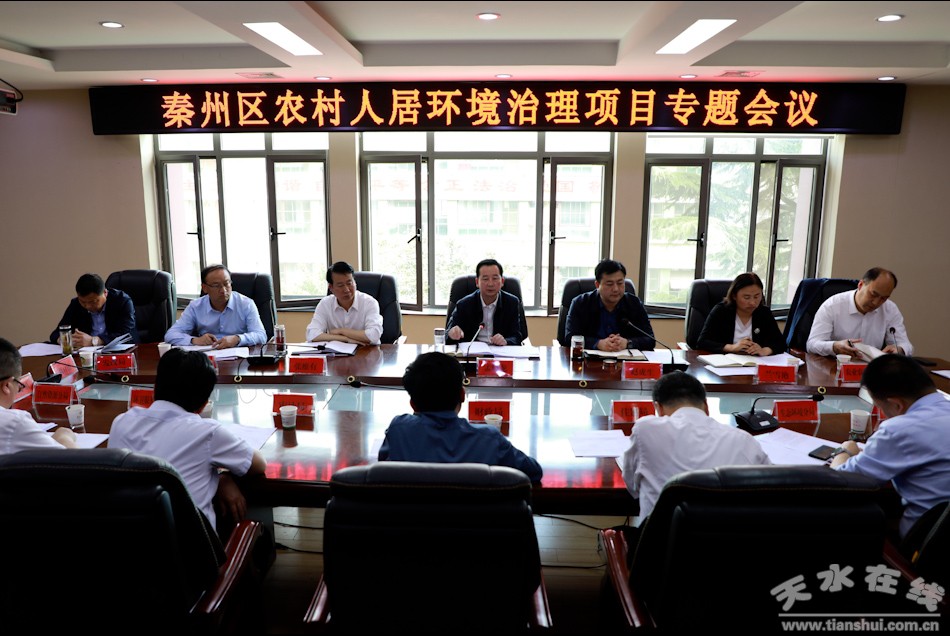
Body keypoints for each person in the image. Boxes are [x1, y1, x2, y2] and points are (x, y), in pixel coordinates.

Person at [108, 348, 266, 532]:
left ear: (154, 389)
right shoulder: (208, 433)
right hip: (192, 547)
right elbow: (258, 464)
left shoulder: (121, 423)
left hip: (126, 542)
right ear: (203, 405)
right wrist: (223, 475)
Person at [621, 371, 771, 529]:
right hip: (728, 540)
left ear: (658, 408)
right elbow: (773, 489)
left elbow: (632, 487)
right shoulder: (744, 440)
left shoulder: (646, 430)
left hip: (663, 542)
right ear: (706, 406)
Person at [831, 354, 950, 540]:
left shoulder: (900, 429)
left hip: (925, 545)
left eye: (882, 408)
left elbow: (839, 485)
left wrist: (845, 450)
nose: (884, 415)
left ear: (896, 404)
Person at [378, 351, 543, 482]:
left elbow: (383, 472)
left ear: (412, 404)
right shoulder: (489, 439)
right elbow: (534, 472)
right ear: (462, 395)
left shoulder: (399, 431)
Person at [806, 267, 913, 358]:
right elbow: (812, 344)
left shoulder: (890, 309)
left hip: (871, 369)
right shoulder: (832, 305)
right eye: (873, 294)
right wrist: (834, 346)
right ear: (861, 285)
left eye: (883, 298)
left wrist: (899, 349)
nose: (876, 302)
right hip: (834, 367)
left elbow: (905, 344)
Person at [0, 337, 77, 453]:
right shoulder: (13, 423)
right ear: (7, 385)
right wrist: (64, 437)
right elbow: (74, 459)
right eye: (19, 384)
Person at [164, 264, 267, 349]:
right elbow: (171, 335)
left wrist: (237, 339)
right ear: (204, 288)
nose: (223, 290)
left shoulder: (246, 304)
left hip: (239, 359)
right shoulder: (195, 307)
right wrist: (195, 340)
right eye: (216, 286)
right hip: (207, 358)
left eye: (226, 284)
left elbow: (261, 335)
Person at [564, 259, 654, 352]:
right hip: (589, 359)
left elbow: (650, 340)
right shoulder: (580, 303)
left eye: (620, 283)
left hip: (624, 358)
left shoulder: (634, 303)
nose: (615, 289)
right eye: (609, 284)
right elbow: (569, 338)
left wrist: (627, 343)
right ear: (597, 285)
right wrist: (598, 343)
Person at [696, 272, 785, 355]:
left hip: (754, 363)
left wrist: (763, 350)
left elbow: (781, 343)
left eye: (756, 296)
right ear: (734, 296)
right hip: (725, 362)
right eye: (747, 297)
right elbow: (702, 342)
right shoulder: (721, 311)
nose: (752, 302)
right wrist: (732, 347)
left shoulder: (764, 313)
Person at [446, 258, 524, 346]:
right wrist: (452, 334)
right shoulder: (464, 304)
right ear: (477, 282)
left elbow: (517, 336)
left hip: (500, 351)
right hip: (472, 351)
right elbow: (448, 334)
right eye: (485, 279)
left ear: (502, 281)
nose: (490, 284)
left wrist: (506, 341)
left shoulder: (511, 303)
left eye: (495, 278)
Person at [49, 273, 137, 349]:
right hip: (87, 354)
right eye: (83, 302)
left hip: (119, 352)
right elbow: (57, 333)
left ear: (105, 293)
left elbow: (126, 335)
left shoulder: (122, 301)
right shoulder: (76, 304)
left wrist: (94, 341)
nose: (87, 306)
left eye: (93, 302)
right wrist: (65, 340)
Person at [305, 261, 383, 345]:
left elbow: (374, 335)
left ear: (355, 282)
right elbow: (311, 334)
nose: (346, 289)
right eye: (340, 285)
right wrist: (345, 339)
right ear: (331, 288)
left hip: (367, 351)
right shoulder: (325, 304)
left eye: (349, 283)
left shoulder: (369, 303)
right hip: (337, 352)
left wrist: (342, 331)